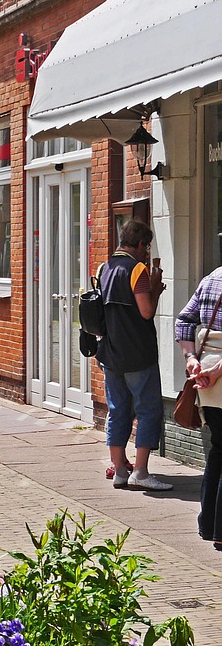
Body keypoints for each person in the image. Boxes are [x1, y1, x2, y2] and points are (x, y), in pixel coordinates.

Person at [98, 220, 170, 491]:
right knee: (148, 410)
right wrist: (154, 288)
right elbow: (146, 311)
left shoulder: (105, 267)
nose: (147, 252)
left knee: (117, 411)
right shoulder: (136, 269)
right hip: (137, 354)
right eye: (146, 246)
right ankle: (140, 471)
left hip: (111, 353)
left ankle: (118, 471)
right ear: (139, 244)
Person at [177, 266, 222, 545]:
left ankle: (208, 525)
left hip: (204, 378)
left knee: (218, 448)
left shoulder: (212, 278)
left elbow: (183, 321)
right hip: (214, 373)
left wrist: (191, 359)